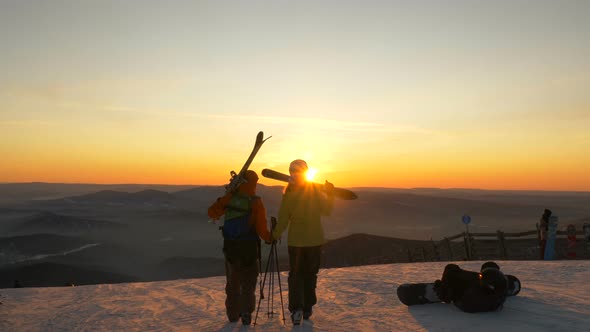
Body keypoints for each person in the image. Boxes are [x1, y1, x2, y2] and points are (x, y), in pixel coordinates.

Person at [271, 159, 335, 325]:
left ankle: (297, 309)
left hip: (296, 243)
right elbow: (327, 210)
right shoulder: (315, 192)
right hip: (314, 241)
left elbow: (283, 219)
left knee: (296, 276)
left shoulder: (289, 195)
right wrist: (330, 194)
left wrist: (274, 235)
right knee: (310, 275)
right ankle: (307, 307)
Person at [208, 170, 271, 325]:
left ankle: (232, 314)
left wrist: (227, 196)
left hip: (230, 247)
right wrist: (271, 238)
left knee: (233, 282)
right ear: (253, 183)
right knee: (248, 282)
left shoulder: (230, 198)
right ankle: (246, 313)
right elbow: (262, 229)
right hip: (249, 248)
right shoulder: (255, 201)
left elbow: (212, 213)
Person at [434, 261, 508, 313]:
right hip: (483, 289)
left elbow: (463, 302)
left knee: (450, 268)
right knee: (488, 266)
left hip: (466, 296)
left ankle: (444, 288)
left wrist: (444, 290)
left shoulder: (472, 299)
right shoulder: (500, 293)